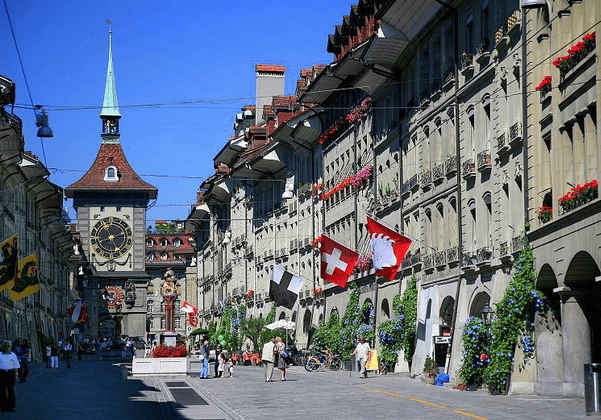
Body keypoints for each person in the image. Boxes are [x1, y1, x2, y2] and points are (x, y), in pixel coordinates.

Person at [0, 340, 20, 412]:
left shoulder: (13, 355)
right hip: (1, 373)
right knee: (2, 390)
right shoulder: (0, 354)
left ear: (11, 347)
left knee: (11, 390)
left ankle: (11, 406)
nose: (7, 347)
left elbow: (16, 365)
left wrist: (16, 374)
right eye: (6, 346)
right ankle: (3, 406)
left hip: (10, 373)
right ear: (3, 346)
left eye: (9, 346)